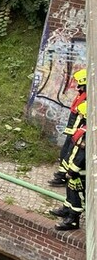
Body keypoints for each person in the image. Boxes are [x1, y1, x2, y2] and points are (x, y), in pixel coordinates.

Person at [48, 68, 87, 187]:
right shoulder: (82, 95)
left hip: (78, 132)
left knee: (71, 154)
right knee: (66, 152)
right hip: (74, 131)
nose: (78, 87)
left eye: (80, 85)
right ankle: (62, 174)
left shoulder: (87, 98)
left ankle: (63, 176)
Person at [51, 102, 87, 231]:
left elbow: (82, 156)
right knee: (70, 191)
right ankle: (66, 209)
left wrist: (72, 171)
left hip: (79, 172)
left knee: (76, 195)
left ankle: (73, 220)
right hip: (73, 168)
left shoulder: (88, 134)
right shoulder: (84, 128)